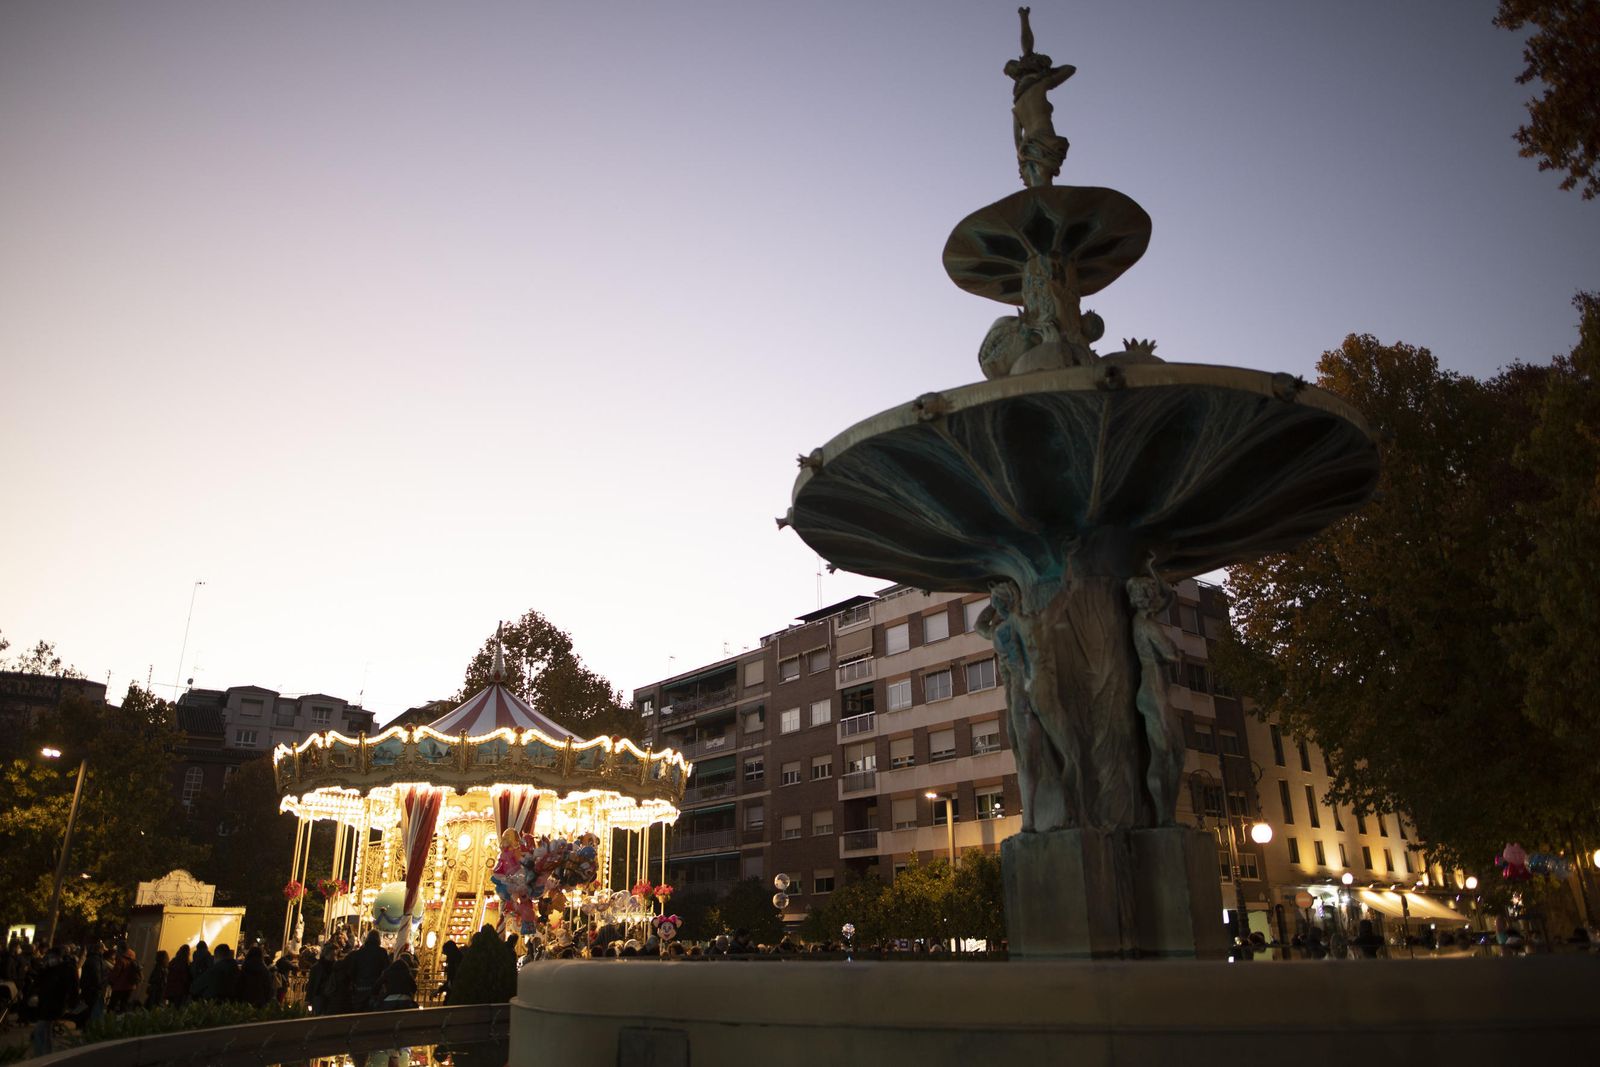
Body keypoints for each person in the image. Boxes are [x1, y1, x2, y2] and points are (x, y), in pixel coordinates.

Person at [30, 945, 78, 1057]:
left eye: (53, 957)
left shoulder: (67, 969)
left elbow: (73, 987)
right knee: (46, 1032)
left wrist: (72, 1003)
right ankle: (46, 1056)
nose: (51, 959)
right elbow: (39, 982)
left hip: (56, 1004)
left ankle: (41, 1057)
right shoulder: (48, 968)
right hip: (45, 1003)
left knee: (41, 1030)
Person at [349, 930, 390, 1011]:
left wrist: (355, 982)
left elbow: (352, 970)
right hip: (375, 986)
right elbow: (387, 969)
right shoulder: (382, 952)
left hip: (361, 986)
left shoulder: (359, 953)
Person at [107, 947, 142, 1012]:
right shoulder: (135, 962)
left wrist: (111, 981)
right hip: (130, 987)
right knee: (124, 1004)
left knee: (112, 1004)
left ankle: (109, 1018)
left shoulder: (121, 960)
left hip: (119, 986)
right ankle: (121, 1018)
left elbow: (116, 973)